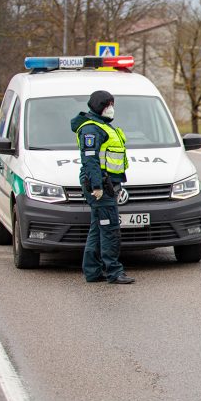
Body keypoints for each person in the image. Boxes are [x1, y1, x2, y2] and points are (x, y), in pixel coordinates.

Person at [70, 90, 135, 284]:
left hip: (107, 183)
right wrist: (97, 186)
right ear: (99, 106)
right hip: (100, 186)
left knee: (98, 228)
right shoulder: (91, 129)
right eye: (108, 105)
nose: (111, 109)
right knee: (110, 228)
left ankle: (92, 271)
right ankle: (114, 272)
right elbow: (90, 160)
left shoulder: (102, 126)